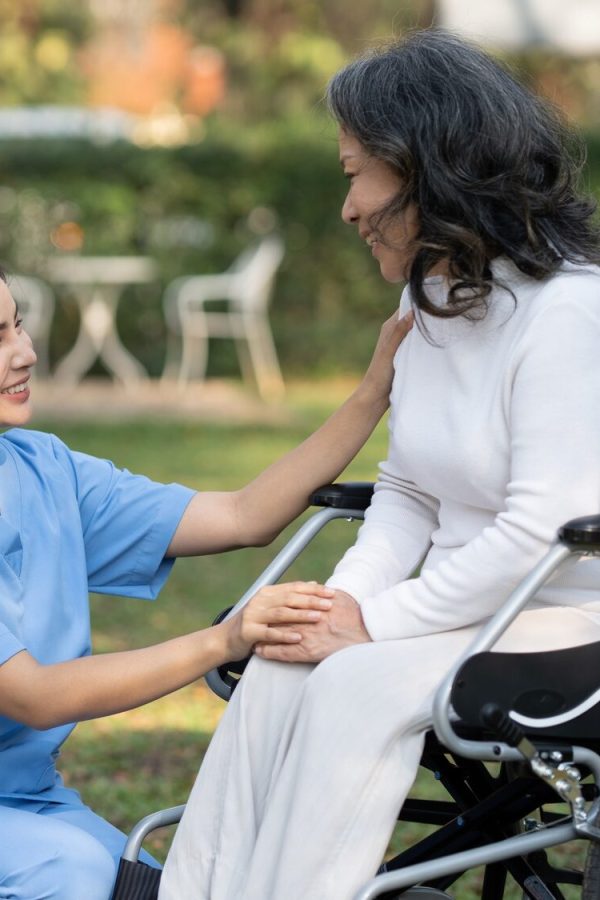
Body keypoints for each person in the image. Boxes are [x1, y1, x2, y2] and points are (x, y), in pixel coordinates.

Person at [158, 28, 600, 900]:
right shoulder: (433, 297)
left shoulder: (570, 314)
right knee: (286, 654)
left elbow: (536, 534)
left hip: (567, 616)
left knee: (353, 677)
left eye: (358, 174)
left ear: (427, 167)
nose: (348, 208)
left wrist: (374, 626)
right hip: (463, 609)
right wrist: (345, 602)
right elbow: (405, 492)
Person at [0, 265, 413, 900]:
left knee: (163, 886)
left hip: (28, 797)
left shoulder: (43, 469)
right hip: (32, 828)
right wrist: (220, 642)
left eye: (18, 324)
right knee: (75, 876)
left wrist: (373, 392)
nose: (25, 352)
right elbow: (32, 696)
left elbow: (241, 515)